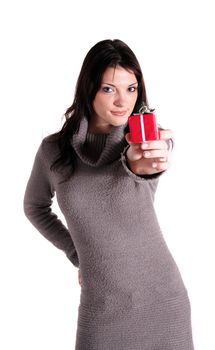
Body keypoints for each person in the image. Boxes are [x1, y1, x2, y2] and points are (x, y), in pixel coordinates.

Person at [23, 39, 194, 350]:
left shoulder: (143, 142)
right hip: (101, 307)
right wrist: (78, 256)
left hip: (163, 302)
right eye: (109, 89)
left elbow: (146, 162)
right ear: (88, 88)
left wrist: (152, 156)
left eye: (131, 89)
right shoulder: (53, 151)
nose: (122, 101)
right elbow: (35, 207)